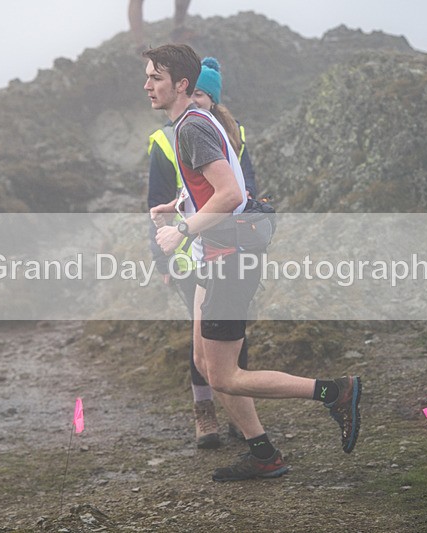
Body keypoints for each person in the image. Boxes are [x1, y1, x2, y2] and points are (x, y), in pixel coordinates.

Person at [143, 44, 362, 482]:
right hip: (215, 255)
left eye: (156, 78)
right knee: (206, 364)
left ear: (181, 84)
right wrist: (178, 204)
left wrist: (182, 230)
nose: (147, 85)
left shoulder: (191, 129)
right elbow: (219, 185)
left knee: (225, 375)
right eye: (147, 76)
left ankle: (335, 392)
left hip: (230, 257)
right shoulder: (192, 124)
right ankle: (264, 455)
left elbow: (232, 195)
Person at [146, 55, 256, 449]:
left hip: (221, 249)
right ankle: (205, 413)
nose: (201, 99)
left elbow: (238, 192)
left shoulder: (217, 132)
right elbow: (167, 198)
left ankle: (245, 426)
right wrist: (164, 252)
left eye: (207, 94)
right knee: (204, 350)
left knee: (225, 347)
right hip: (185, 252)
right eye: (199, 92)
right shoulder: (167, 137)